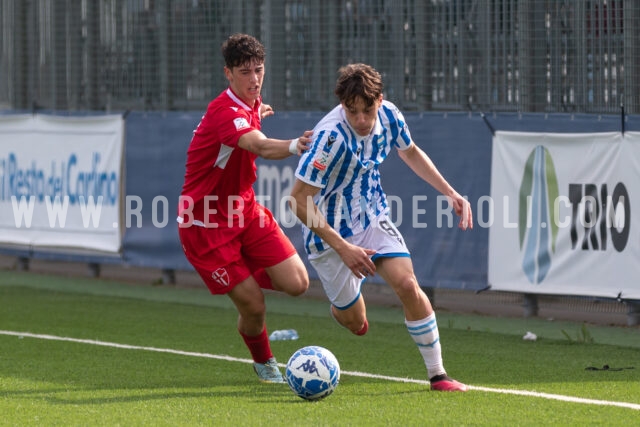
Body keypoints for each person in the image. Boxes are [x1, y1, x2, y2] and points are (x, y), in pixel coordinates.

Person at [289, 63, 472, 392]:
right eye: (352, 111)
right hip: (329, 236)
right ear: (342, 106)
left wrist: (450, 192)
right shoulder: (329, 137)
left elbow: (411, 152)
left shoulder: (389, 116)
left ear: (380, 100)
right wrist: (344, 248)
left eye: (367, 110)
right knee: (355, 322)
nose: (360, 120)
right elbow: (298, 201)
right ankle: (343, 307)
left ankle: (438, 375)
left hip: (372, 215)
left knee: (407, 284)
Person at [177, 33, 312, 383]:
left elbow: (251, 127)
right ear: (228, 73)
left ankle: (243, 274)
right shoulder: (224, 112)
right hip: (205, 224)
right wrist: (297, 146)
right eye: (244, 72)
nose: (254, 79)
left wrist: (258, 114)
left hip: (244, 210)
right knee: (254, 305)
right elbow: (262, 148)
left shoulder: (251, 101)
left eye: (259, 70)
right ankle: (264, 362)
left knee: (298, 283)